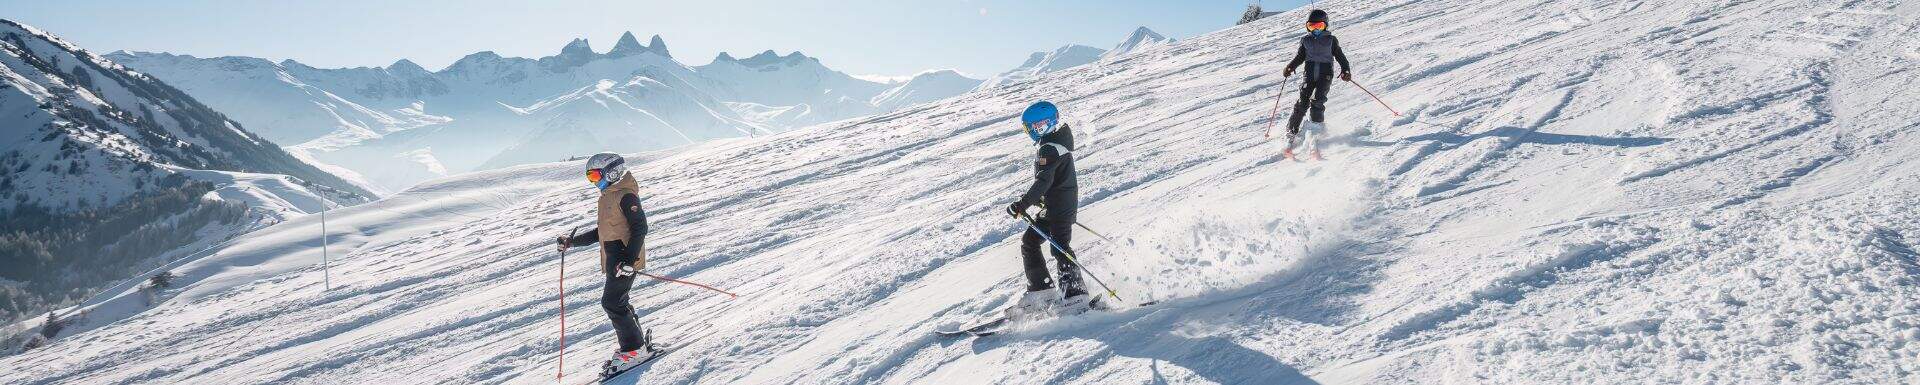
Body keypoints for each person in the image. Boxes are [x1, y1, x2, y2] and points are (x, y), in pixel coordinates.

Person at [556, 152, 654, 370]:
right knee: (619, 300)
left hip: (625, 259)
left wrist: (629, 260)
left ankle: (633, 349)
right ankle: (636, 345)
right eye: (589, 177)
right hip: (614, 259)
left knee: (612, 302)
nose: (593, 181)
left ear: (611, 172)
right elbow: (601, 232)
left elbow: (640, 228)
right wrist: (572, 242)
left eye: (594, 176)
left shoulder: (626, 195)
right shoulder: (608, 196)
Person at [1004, 101, 1095, 319]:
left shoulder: (1050, 148)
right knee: (1030, 242)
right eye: (1029, 129)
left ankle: (1075, 295)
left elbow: (1043, 182)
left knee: (1060, 248)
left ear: (1044, 125)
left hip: (1060, 209)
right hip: (1053, 207)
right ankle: (1041, 292)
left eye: (1033, 127)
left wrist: (1023, 204)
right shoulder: (1052, 144)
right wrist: (1039, 201)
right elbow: (1051, 182)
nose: (1031, 132)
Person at [1282, 9, 1352, 159]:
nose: (1315, 30)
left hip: (1325, 76)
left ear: (1325, 26)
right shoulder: (1305, 40)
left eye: (1319, 26)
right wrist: (1290, 67)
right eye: (1311, 27)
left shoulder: (1331, 40)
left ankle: (1316, 131)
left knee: (1318, 101)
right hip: (1309, 75)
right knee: (1302, 102)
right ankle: (1291, 131)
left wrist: (1345, 70)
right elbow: (1300, 57)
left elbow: (1341, 57)